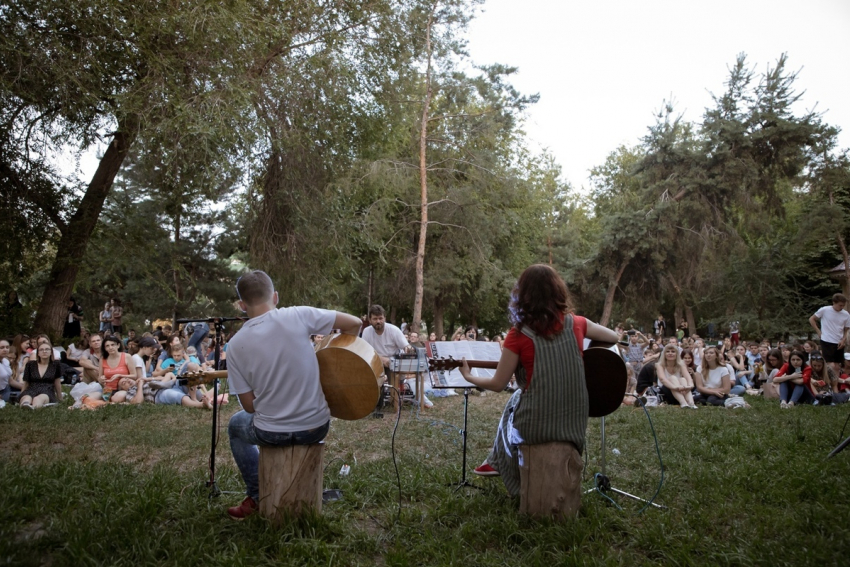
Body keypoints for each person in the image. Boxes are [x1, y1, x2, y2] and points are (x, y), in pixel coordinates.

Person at [457, 264, 619, 500]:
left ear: (522, 295)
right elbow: (613, 337)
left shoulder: (518, 333)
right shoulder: (578, 323)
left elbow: (497, 384)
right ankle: (496, 462)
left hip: (534, 428)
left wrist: (469, 376)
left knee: (514, 406)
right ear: (558, 292)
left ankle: (506, 472)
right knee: (516, 399)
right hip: (574, 425)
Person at [225, 270, 362, 520]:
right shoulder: (298, 315)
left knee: (235, 426)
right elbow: (354, 323)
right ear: (275, 297)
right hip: (316, 427)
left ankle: (256, 496)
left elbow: (249, 407)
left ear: (242, 305)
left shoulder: (234, 346)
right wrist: (331, 355)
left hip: (269, 432)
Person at [19, 340, 63, 409]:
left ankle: (34, 407)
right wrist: (21, 395)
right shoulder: (30, 365)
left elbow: (57, 382)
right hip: (32, 389)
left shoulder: (55, 365)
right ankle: (26, 405)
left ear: (51, 352)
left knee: (38, 399)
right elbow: (26, 382)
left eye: (47, 349)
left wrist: (60, 397)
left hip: (47, 390)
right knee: (26, 398)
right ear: (38, 353)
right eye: (41, 350)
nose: (44, 351)